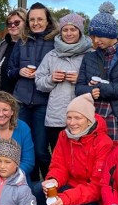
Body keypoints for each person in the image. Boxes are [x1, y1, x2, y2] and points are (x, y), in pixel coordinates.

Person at [32, 93, 113, 205]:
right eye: (69, 118)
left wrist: (65, 199)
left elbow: (97, 187)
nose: (72, 123)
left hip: (97, 199)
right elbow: (58, 165)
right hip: (72, 187)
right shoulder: (64, 135)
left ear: (89, 120)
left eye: (78, 118)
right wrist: (54, 179)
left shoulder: (104, 143)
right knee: (39, 189)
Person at [76, 2, 118, 142]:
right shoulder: (89, 57)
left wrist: (100, 89)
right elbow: (79, 87)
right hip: (92, 118)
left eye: (99, 36)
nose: (96, 41)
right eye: (93, 36)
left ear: (111, 33)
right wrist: (90, 91)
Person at [7, 2, 58, 181]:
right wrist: (19, 72)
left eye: (40, 19)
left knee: (41, 150)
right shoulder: (22, 41)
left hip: (43, 101)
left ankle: (50, 185)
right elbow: (9, 70)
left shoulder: (55, 42)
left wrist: (44, 74)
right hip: (22, 101)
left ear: (48, 21)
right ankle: (30, 188)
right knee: (23, 148)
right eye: (32, 19)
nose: (36, 23)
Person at [35, 13, 93, 152]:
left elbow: (98, 82)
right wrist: (51, 79)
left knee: (81, 157)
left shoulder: (91, 54)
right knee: (59, 156)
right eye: (65, 30)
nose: (69, 33)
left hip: (83, 116)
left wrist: (80, 80)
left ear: (80, 31)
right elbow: (38, 82)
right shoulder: (52, 55)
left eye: (73, 29)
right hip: (56, 117)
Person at [0, 8, 27, 94]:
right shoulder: (2, 46)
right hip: (3, 97)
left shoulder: (31, 46)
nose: (13, 26)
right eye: (9, 24)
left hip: (22, 100)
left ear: (25, 23)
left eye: (17, 22)